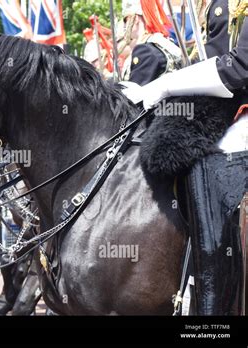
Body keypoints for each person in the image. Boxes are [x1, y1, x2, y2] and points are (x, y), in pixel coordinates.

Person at [122, 0, 248, 315]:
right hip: (225, 107)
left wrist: (163, 87)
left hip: (241, 106)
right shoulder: (218, 3)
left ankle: (212, 314)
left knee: (210, 164)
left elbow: (238, 68)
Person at [119, 0, 183, 85]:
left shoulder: (145, 50)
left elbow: (135, 93)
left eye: (125, 20)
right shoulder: (160, 43)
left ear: (135, 19)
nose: (124, 26)